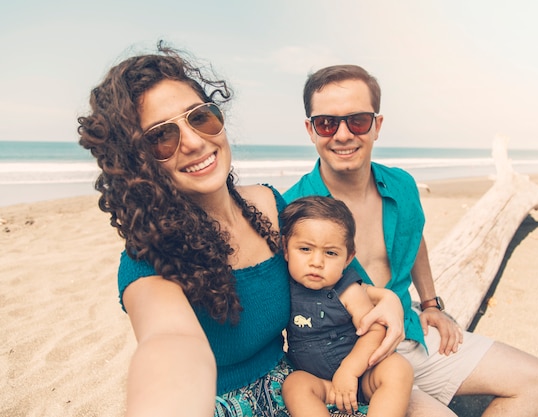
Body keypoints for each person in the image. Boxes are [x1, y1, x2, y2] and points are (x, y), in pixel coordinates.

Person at [77, 44, 406, 417]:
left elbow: (322, 276)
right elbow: (168, 343)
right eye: (161, 137)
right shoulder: (148, 260)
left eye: (200, 118)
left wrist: (385, 299)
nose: (195, 141)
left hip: (303, 386)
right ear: (136, 160)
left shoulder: (270, 204)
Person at [284, 64, 538, 417]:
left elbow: (415, 241)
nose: (342, 134)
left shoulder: (401, 185)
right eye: (327, 123)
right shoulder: (289, 209)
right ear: (310, 129)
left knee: (536, 380)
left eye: (358, 121)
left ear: (377, 126)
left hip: (410, 332)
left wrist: (430, 304)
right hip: (344, 358)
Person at [280, 196, 413, 417]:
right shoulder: (284, 286)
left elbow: (375, 330)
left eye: (330, 253)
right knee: (294, 384)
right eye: (305, 249)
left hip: (362, 377)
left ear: (348, 257)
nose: (316, 262)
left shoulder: (349, 291)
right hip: (323, 384)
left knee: (398, 369)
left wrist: (349, 371)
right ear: (285, 248)